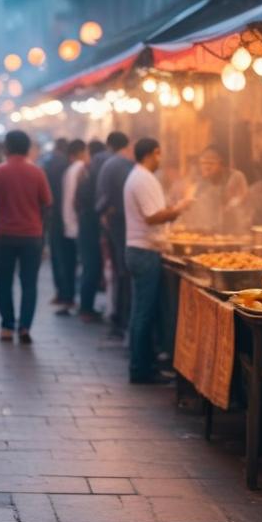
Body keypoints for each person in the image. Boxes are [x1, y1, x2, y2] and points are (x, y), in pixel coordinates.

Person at [122, 138, 192, 384]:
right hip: (144, 251)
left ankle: (144, 364)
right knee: (143, 312)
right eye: (159, 155)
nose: (160, 159)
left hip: (141, 250)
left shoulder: (138, 176)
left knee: (142, 311)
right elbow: (153, 217)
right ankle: (140, 368)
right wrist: (180, 207)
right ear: (153, 153)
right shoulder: (143, 178)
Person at [0, 130, 52, 343]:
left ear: (6, 148)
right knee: (29, 283)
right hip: (31, 236)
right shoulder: (37, 173)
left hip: (3, 235)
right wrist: (40, 228)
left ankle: (7, 326)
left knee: (4, 282)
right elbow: (47, 203)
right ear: (27, 148)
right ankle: (25, 326)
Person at [95, 131, 134, 335]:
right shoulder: (122, 166)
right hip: (120, 225)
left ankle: (118, 316)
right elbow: (120, 199)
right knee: (123, 272)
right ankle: (122, 319)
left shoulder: (110, 163)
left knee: (120, 272)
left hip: (112, 224)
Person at [183, 146, 250, 235]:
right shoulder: (200, 183)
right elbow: (193, 206)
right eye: (203, 163)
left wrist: (231, 204)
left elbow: (242, 198)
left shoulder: (236, 177)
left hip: (234, 231)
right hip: (210, 233)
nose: (206, 167)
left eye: (211, 163)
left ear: (221, 164)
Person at [76, 139, 108, 321]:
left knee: (90, 266)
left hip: (86, 221)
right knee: (91, 266)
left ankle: (86, 306)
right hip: (91, 224)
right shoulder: (95, 171)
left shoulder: (87, 171)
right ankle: (86, 308)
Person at [41, 138, 72, 311]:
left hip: (53, 215)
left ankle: (61, 293)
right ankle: (66, 294)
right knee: (66, 257)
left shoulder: (50, 163)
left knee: (57, 256)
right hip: (64, 216)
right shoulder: (67, 164)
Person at [58, 139, 89, 316]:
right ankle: (83, 305)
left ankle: (69, 298)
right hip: (78, 224)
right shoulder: (81, 169)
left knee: (70, 265)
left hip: (68, 222)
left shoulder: (69, 171)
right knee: (83, 265)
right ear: (81, 152)